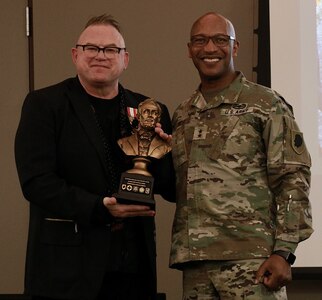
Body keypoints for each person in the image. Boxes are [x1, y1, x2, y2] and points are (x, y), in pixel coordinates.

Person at [15, 14, 175, 300]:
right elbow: (36, 182)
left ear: (125, 59)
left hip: (133, 269)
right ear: (76, 55)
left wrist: (165, 153)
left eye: (111, 49)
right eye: (92, 48)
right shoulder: (44, 105)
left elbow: (169, 188)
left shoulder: (150, 110)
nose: (101, 56)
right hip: (67, 272)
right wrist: (99, 208)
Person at [168, 12, 313, 299]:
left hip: (253, 262)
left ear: (234, 47)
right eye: (200, 41)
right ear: (189, 50)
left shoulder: (265, 104)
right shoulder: (183, 114)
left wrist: (284, 251)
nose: (210, 48)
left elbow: (292, 179)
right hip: (195, 264)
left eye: (220, 40)